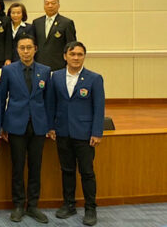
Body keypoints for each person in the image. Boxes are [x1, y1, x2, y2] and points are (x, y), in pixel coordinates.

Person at [46, 42, 104, 226]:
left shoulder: (95, 78)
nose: (76, 58)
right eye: (72, 54)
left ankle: (90, 208)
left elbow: (99, 108)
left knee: (87, 172)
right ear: (65, 56)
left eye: (80, 54)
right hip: (62, 131)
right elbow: (51, 104)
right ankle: (69, 204)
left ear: (84, 56)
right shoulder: (55, 77)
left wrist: (97, 132)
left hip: (85, 134)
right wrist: (51, 126)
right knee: (67, 170)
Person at [0, 34, 52, 224]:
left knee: (35, 167)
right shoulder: (8, 70)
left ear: (35, 49)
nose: (26, 51)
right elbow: (1, 99)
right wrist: (1, 125)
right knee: (18, 166)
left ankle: (33, 205)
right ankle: (19, 205)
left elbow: (49, 101)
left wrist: (50, 126)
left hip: (38, 125)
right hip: (15, 124)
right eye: (22, 48)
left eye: (29, 47)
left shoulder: (45, 70)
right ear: (17, 50)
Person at [33, 0, 77, 71]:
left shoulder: (66, 23)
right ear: (44, 6)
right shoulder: (37, 22)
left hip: (59, 66)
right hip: (39, 65)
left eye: (53, 3)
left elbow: (71, 46)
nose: (50, 6)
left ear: (58, 5)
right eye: (47, 3)